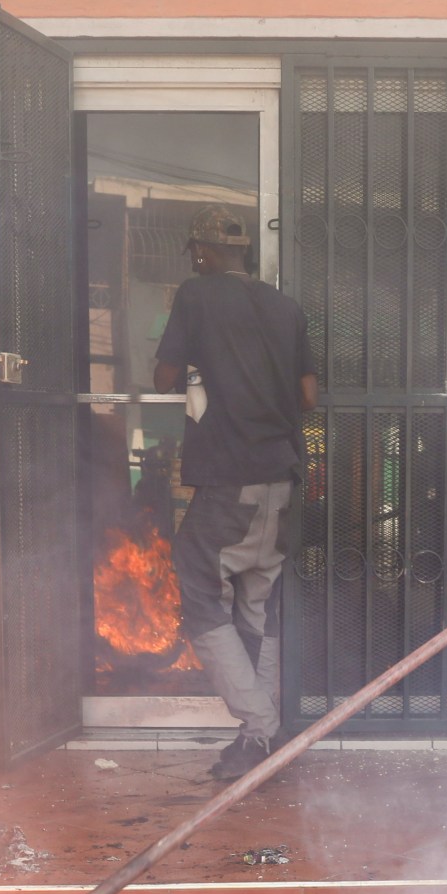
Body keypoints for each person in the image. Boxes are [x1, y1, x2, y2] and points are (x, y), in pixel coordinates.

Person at [154, 206, 319, 781]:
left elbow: (162, 377)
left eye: (196, 253)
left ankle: (262, 727)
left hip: (229, 479)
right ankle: (258, 734)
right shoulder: (285, 308)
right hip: (281, 479)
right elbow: (307, 395)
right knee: (256, 599)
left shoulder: (196, 296)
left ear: (202, 252)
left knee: (197, 586)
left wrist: (205, 371)